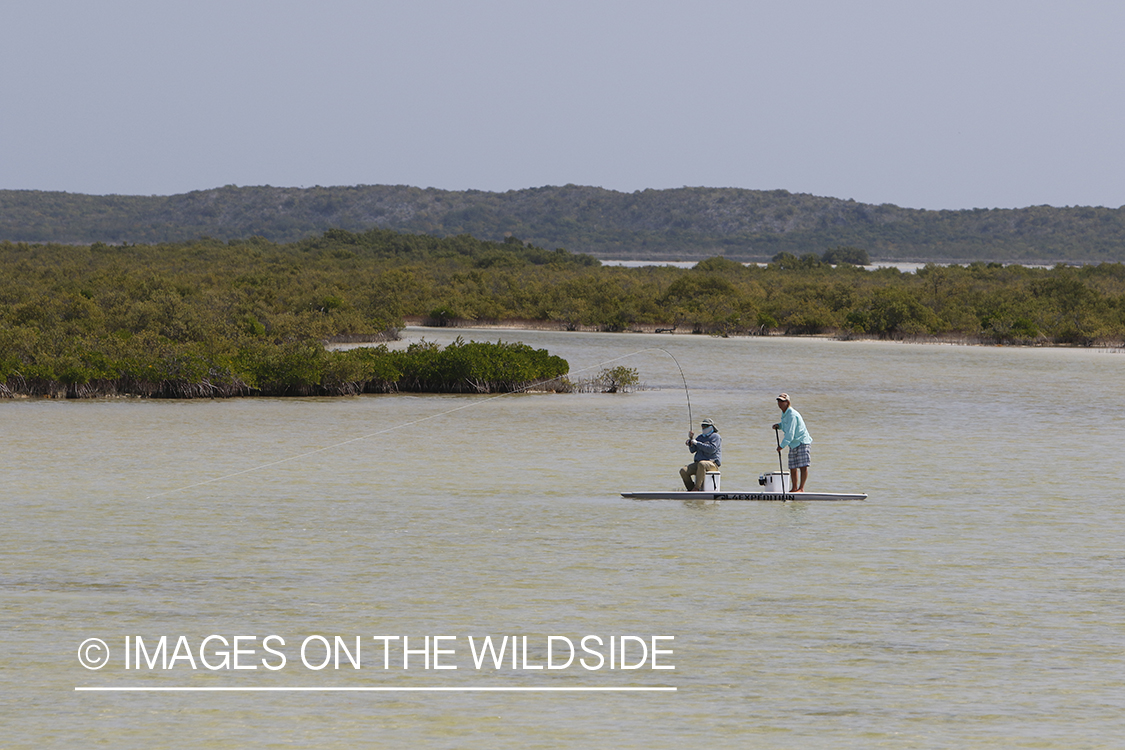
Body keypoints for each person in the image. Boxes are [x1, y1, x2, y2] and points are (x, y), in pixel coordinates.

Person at [772, 393, 812, 492]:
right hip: (793, 443)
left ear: (787, 402)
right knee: (793, 467)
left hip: (801, 441)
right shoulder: (785, 413)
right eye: (779, 401)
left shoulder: (792, 414)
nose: (780, 403)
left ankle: (801, 488)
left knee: (803, 466)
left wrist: (781, 446)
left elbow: (790, 433)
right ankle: (794, 488)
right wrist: (779, 426)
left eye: (782, 401)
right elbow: (786, 425)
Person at [680, 418, 722, 491]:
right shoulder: (700, 437)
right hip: (699, 464)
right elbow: (692, 450)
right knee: (683, 471)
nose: (703, 427)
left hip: (712, 464)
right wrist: (691, 442)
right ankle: (691, 489)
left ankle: (697, 488)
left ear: (711, 426)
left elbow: (711, 449)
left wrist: (697, 443)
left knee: (702, 464)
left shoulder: (716, 437)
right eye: (702, 425)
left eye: (706, 426)